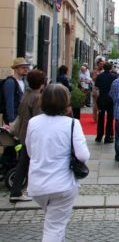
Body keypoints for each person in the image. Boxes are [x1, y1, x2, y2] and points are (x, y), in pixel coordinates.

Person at [26, 84, 90, 241]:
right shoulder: (72, 124)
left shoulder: (33, 122)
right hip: (62, 184)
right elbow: (82, 156)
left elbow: (30, 151)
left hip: (38, 184)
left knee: (54, 221)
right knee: (54, 227)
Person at [8, 69, 47, 202]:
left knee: (25, 162)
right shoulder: (37, 97)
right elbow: (38, 118)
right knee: (27, 163)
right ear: (41, 83)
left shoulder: (27, 94)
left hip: (24, 133)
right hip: (31, 135)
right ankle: (18, 191)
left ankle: (18, 190)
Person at [94, 62, 117, 144]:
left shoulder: (99, 76)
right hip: (110, 99)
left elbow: (96, 89)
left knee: (101, 117)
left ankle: (99, 136)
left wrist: (96, 99)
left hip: (102, 98)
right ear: (110, 68)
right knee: (110, 118)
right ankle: (108, 137)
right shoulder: (114, 76)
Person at [3, 57, 30, 125]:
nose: (26, 69)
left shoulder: (25, 82)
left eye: (27, 67)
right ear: (16, 69)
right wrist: (11, 120)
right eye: (23, 67)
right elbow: (9, 102)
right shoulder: (10, 82)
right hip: (14, 118)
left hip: (22, 118)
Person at [91, 56, 106, 122]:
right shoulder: (95, 71)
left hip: (102, 89)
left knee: (102, 103)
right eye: (100, 64)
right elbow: (93, 79)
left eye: (103, 64)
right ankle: (95, 118)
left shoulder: (104, 71)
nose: (102, 65)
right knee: (95, 103)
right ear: (98, 64)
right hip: (96, 89)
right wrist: (98, 75)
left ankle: (100, 116)